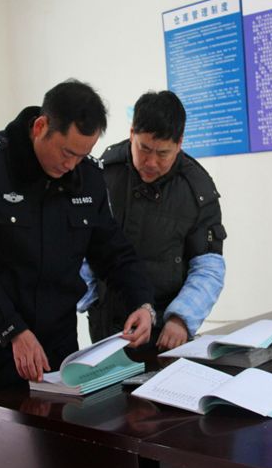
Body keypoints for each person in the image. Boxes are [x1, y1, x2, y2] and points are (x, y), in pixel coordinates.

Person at [0, 79, 155, 468]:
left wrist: (142, 302)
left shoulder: (86, 175)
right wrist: (14, 331)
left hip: (60, 353)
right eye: (67, 152)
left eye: (82, 154)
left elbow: (112, 251)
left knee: (57, 467)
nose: (72, 164)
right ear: (41, 127)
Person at [82, 90, 226, 351]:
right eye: (144, 148)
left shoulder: (197, 190)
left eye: (162, 153)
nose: (150, 162)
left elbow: (208, 268)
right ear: (132, 133)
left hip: (163, 333)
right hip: (106, 329)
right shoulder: (105, 172)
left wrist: (181, 319)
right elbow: (83, 242)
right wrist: (90, 296)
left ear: (179, 143)